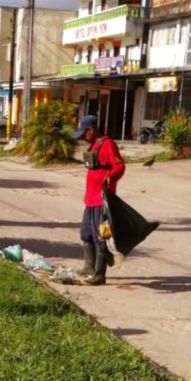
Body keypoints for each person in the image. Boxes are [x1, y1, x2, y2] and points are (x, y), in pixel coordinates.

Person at [73, 115, 126, 286]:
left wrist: (111, 177)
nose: (82, 137)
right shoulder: (94, 145)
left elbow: (120, 166)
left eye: (83, 133)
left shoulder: (108, 144)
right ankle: (89, 267)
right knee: (86, 233)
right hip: (91, 198)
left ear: (91, 130)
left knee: (100, 237)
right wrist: (87, 194)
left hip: (102, 199)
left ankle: (99, 274)